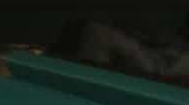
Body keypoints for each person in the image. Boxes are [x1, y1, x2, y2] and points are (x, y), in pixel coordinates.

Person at [51, 16, 189, 79]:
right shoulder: (172, 42)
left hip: (159, 74)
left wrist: (135, 49)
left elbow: (167, 73)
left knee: (97, 32)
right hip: (153, 62)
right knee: (94, 30)